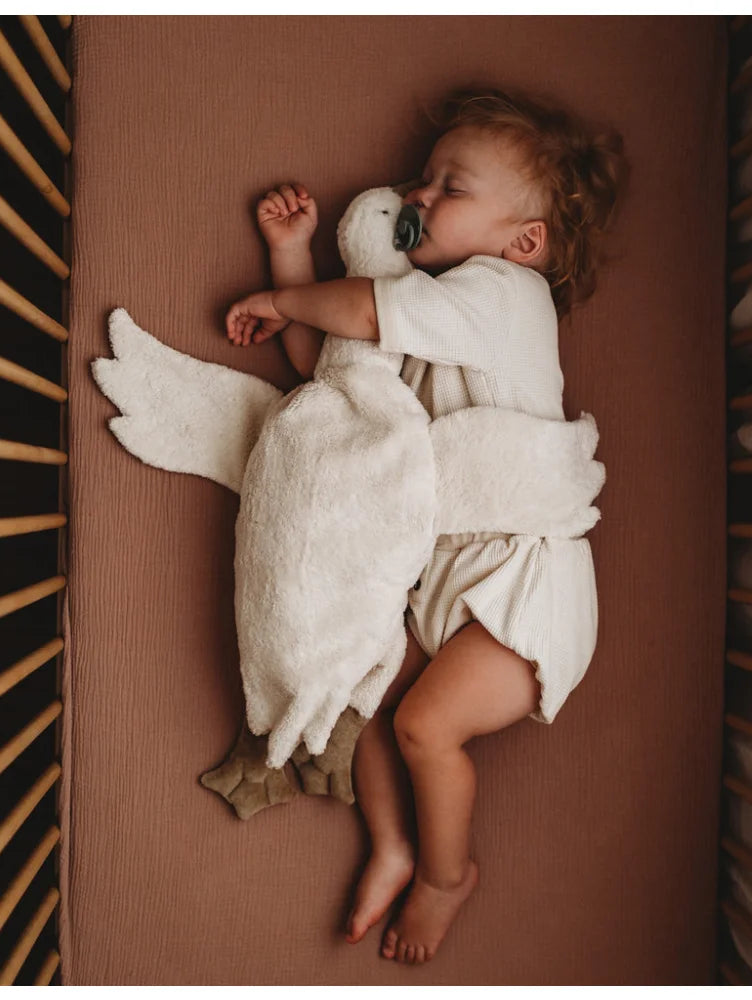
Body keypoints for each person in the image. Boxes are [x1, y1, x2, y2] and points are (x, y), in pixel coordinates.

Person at [225, 87, 628, 965]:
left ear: (525, 241)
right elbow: (337, 373)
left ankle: (448, 875)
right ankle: (394, 847)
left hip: (523, 586)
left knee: (424, 726)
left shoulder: (505, 294)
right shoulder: (422, 304)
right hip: (440, 581)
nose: (418, 196)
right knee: (372, 696)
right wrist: (292, 257)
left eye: (452, 186)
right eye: (422, 178)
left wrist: (289, 297)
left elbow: (361, 311)